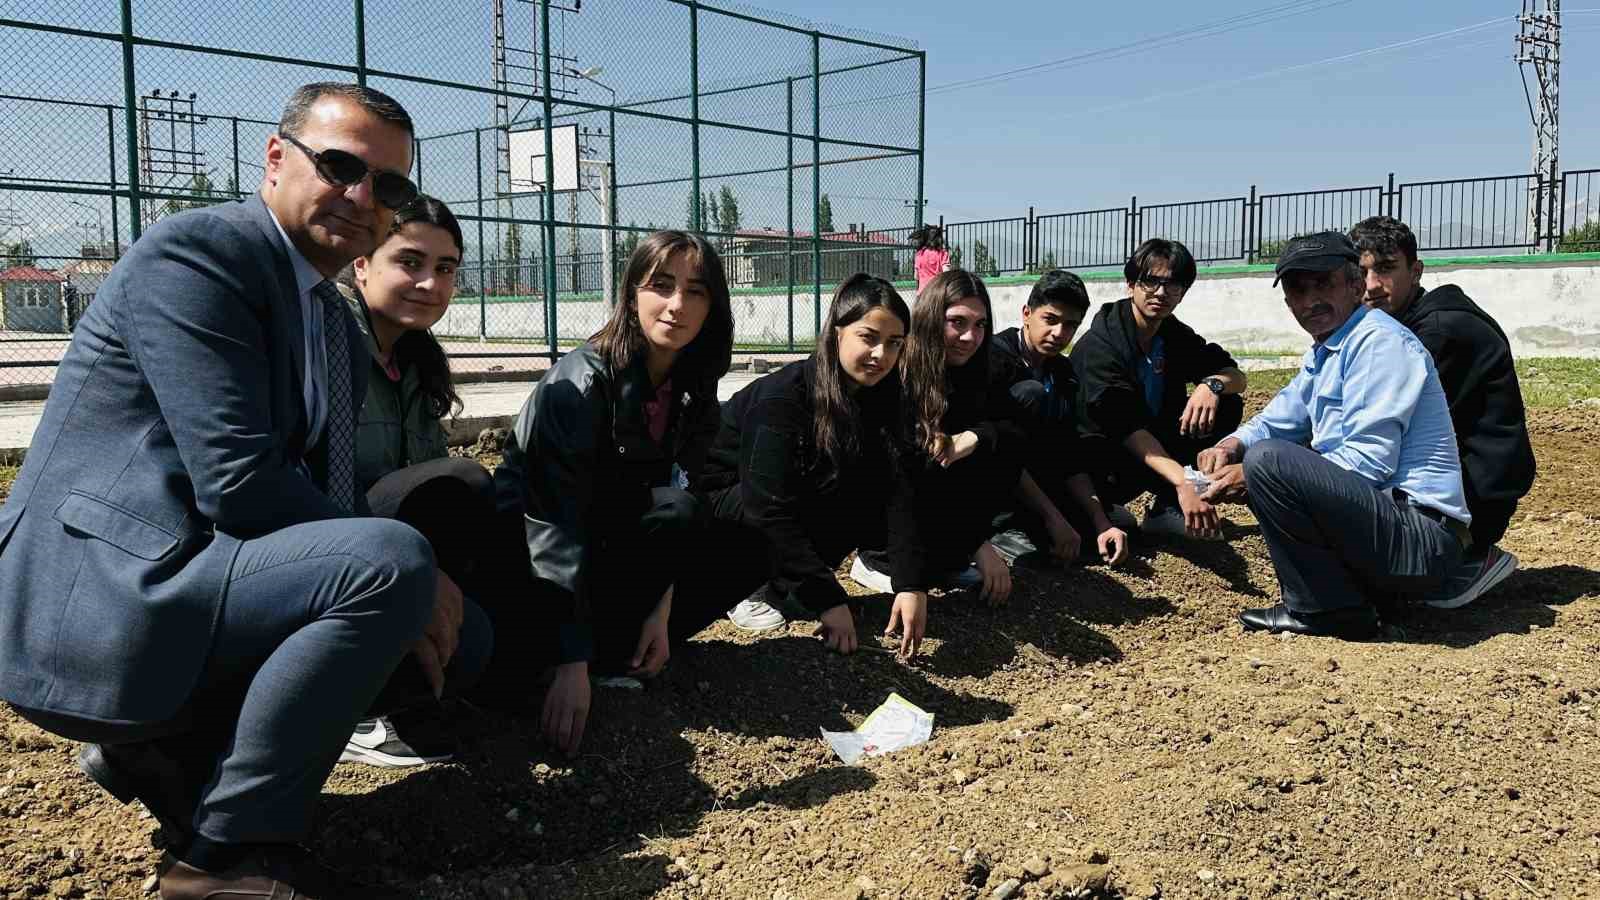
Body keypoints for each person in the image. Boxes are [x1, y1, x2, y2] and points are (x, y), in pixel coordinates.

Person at [0, 83, 491, 899]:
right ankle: (224, 860)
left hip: (194, 576)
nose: (362, 196)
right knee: (391, 570)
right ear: (275, 159)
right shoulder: (200, 256)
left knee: (459, 636)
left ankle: (169, 756)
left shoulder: (327, 317)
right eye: (339, 166)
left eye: (389, 187)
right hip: (95, 597)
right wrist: (409, 575)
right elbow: (239, 482)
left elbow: (320, 489)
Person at [479, 230, 733, 758]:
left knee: (705, 519)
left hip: (601, 542)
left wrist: (659, 610)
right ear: (631, 293)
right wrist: (571, 662)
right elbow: (552, 523)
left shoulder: (691, 386)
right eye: (660, 285)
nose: (676, 305)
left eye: (697, 291)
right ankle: (556, 661)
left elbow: (678, 496)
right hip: (523, 559)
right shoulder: (583, 383)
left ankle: (616, 653)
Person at [1195, 232, 1488, 639]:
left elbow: (1369, 462)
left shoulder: (1379, 343)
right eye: (1299, 290)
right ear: (1287, 303)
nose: (1311, 300)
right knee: (1260, 452)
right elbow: (1277, 418)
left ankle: (1326, 610)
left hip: (1420, 540)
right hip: (1392, 530)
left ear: (1354, 285)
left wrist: (1253, 471)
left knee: (1268, 462)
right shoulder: (1329, 349)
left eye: (1324, 284)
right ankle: (1343, 602)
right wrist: (1229, 445)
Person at [334, 194, 497, 768]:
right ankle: (357, 713)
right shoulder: (328, 342)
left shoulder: (413, 360)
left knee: (479, 638)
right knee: (459, 483)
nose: (430, 283)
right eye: (409, 261)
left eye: (446, 268)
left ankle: (411, 695)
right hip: (316, 553)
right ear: (361, 263)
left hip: (381, 557)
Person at [699, 274, 928, 655]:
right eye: (868, 338)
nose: (881, 355)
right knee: (799, 492)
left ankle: (791, 583)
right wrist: (829, 600)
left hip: (785, 499)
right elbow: (766, 506)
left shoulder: (886, 397)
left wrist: (910, 583)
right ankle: (749, 587)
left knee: (866, 482)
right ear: (838, 333)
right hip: (723, 505)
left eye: (894, 344)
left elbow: (901, 489)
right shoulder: (783, 397)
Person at [1349, 215, 1533, 607]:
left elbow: (1382, 429)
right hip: (1465, 484)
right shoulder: (1399, 326)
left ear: (1415, 271)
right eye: (1361, 271)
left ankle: (1466, 557)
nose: (1371, 286)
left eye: (1385, 269)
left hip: (1476, 496)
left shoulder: (1437, 332)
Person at [850, 269, 1029, 607]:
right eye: (957, 322)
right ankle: (877, 560)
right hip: (886, 511)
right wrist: (980, 546)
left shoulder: (978, 370)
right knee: (926, 461)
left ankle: (949, 557)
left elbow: (1013, 430)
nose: (969, 337)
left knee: (998, 445)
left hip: (941, 511)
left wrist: (973, 437)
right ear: (932, 318)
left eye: (979, 325)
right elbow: (904, 473)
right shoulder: (899, 372)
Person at [1071, 238, 1247, 541]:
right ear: (1130, 284)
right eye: (1151, 282)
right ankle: (1101, 506)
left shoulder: (1170, 333)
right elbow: (1127, 428)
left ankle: (1165, 509)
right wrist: (1185, 482)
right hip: (1104, 459)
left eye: (1173, 284)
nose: (1162, 293)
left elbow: (1236, 376)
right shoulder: (1101, 345)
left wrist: (1212, 385)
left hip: (1149, 447)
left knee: (1227, 403)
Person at [989, 269, 1130, 567]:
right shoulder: (995, 359)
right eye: (1050, 320)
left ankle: (1049, 519)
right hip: (994, 484)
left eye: (1070, 325)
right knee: (1031, 394)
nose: (1059, 334)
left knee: (1115, 533)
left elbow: (1069, 453)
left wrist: (1100, 520)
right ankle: (1000, 528)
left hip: (1038, 481)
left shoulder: (1062, 372)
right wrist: (1053, 517)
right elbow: (1002, 451)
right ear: (1027, 313)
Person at [911, 223, 950, 293]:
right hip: (936, 292)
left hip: (922, 293)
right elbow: (946, 274)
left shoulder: (919, 254)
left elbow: (916, 276)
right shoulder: (943, 253)